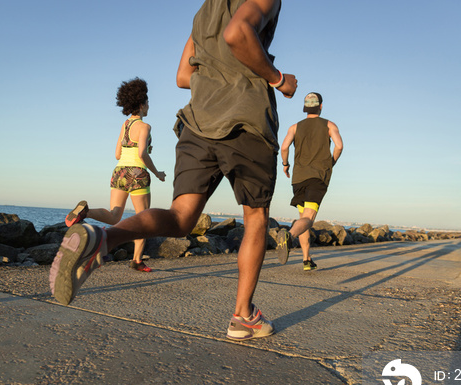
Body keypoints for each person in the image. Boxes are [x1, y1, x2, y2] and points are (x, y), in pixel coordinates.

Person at [50, 0, 297, 340]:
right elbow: (238, 32)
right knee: (255, 217)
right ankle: (243, 316)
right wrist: (277, 78)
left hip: (197, 123)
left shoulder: (204, 11)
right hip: (246, 123)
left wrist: (216, 77)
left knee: (180, 217)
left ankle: (102, 237)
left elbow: (183, 76)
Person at [64, 78, 166, 272]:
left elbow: (117, 154)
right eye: (148, 103)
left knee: (114, 215)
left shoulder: (125, 125)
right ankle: (137, 260)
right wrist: (158, 172)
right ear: (142, 105)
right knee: (143, 219)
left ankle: (86, 212)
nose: (149, 106)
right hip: (137, 173)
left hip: (119, 172)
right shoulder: (145, 127)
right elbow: (142, 153)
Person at [277, 92, 343, 269]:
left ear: (305, 107)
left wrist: (285, 164)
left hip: (298, 178)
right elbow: (339, 145)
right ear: (320, 106)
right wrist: (331, 163)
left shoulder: (294, 127)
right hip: (317, 177)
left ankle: (306, 260)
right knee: (309, 218)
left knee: (302, 217)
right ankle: (288, 236)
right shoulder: (329, 125)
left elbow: (284, 147)